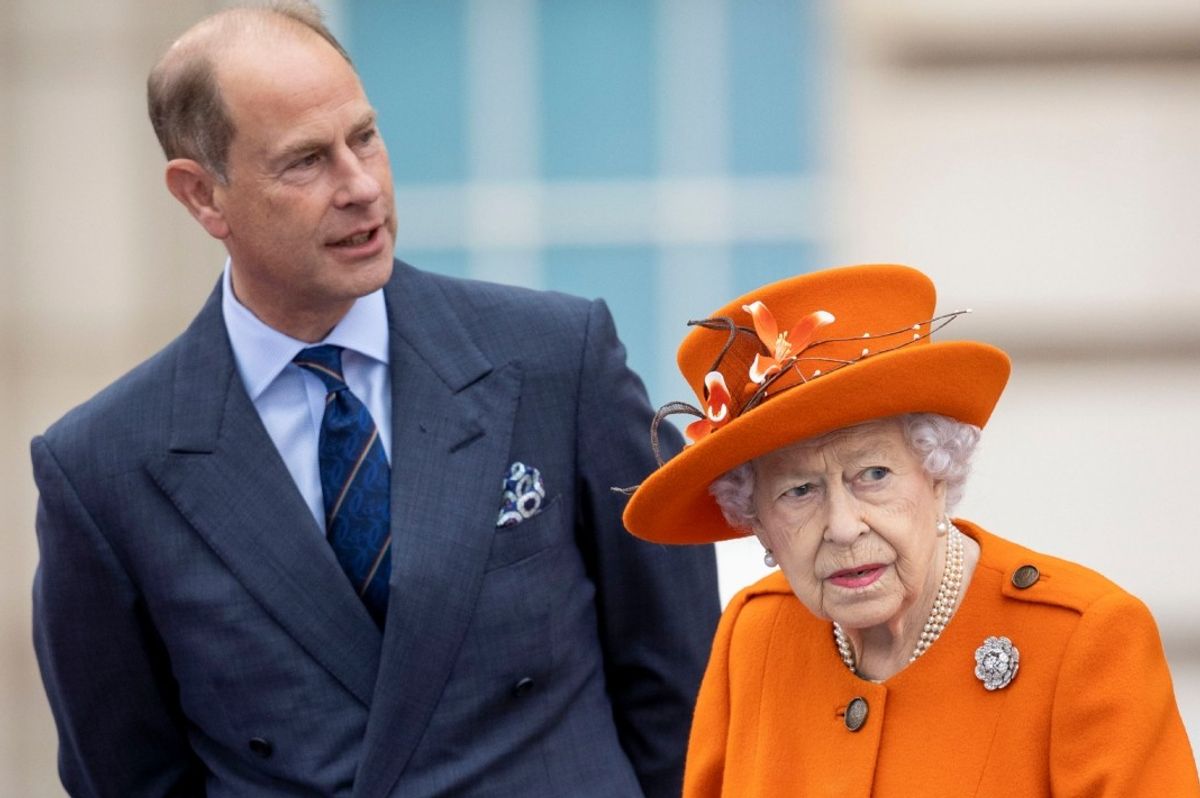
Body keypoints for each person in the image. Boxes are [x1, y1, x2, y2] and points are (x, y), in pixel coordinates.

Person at [30, 3, 719, 796]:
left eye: (364, 137)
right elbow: (122, 777)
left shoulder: (557, 359)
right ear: (201, 197)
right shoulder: (103, 468)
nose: (361, 187)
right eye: (305, 161)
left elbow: (684, 695)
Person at [623, 264, 1200, 796]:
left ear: (938, 473)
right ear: (759, 524)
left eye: (873, 474)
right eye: (798, 491)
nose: (844, 527)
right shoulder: (754, 633)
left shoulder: (1083, 639)